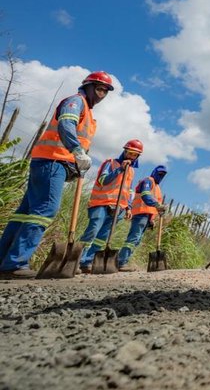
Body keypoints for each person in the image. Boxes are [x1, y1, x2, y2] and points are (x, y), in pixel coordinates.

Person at [0, 71, 113, 279]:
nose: (102, 94)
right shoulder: (75, 102)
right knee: (44, 211)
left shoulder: (88, 112)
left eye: (106, 91)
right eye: (99, 88)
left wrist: (77, 162)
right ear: (88, 86)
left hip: (50, 163)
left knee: (24, 213)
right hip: (52, 162)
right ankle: (15, 263)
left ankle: (4, 261)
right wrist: (77, 151)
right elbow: (66, 124)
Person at [78, 140, 143, 274]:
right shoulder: (110, 163)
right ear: (124, 151)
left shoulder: (131, 171)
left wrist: (128, 207)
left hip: (119, 208)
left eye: (135, 155)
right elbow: (103, 180)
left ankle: (88, 261)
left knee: (102, 237)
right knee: (92, 231)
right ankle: (77, 260)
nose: (131, 156)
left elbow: (129, 190)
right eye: (130, 153)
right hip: (101, 204)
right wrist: (119, 169)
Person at [117, 165, 168, 270]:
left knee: (136, 240)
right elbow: (146, 196)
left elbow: (155, 206)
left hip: (147, 216)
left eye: (163, 174)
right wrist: (157, 205)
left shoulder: (157, 188)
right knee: (133, 238)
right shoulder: (148, 181)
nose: (161, 176)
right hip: (140, 214)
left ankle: (123, 261)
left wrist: (152, 219)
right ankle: (121, 262)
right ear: (154, 172)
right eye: (159, 173)